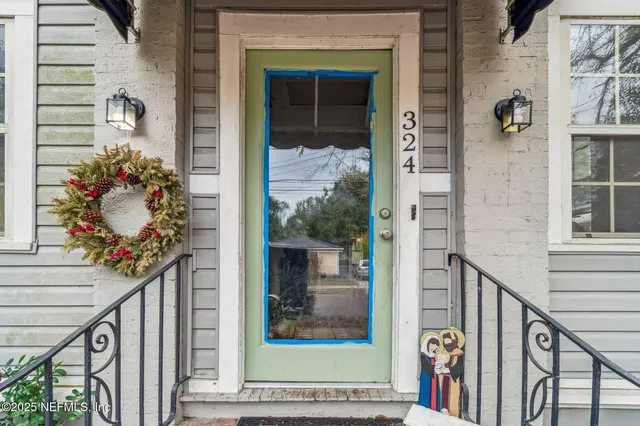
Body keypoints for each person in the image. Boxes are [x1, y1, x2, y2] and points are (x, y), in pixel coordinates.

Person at [439, 327, 466, 417]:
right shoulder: (442, 353)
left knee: (451, 397)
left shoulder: (458, 353)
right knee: (442, 396)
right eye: (445, 339)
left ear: (454, 340)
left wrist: (449, 370)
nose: (446, 341)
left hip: (452, 379)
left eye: (448, 339)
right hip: (442, 378)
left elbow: (458, 367)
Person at [417, 332, 442, 412]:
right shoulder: (424, 355)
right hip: (427, 376)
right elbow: (426, 365)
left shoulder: (435, 356)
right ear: (428, 344)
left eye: (436, 345)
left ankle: (435, 409)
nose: (435, 347)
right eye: (434, 345)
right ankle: (424, 409)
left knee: (435, 393)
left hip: (435, 377)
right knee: (426, 392)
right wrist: (434, 367)